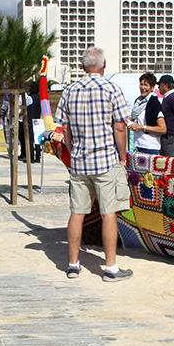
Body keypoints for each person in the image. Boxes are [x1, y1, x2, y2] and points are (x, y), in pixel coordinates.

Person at [54, 46, 133, 283]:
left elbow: (64, 127)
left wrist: (71, 150)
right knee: (109, 213)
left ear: (82, 66)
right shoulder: (112, 89)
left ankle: (73, 265)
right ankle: (110, 268)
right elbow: (120, 127)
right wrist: (122, 155)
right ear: (104, 65)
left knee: (77, 212)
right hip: (105, 161)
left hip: (79, 162)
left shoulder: (70, 90)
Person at [128, 73, 166, 155]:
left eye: (146, 85)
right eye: (141, 84)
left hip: (150, 147)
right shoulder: (138, 102)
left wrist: (140, 127)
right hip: (137, 145)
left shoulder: (154, 104)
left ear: (152, 88)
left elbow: (162, 129)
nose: (143, 87)